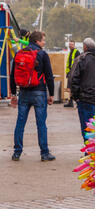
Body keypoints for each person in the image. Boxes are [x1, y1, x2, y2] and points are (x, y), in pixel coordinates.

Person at [10, 30, 56, 162]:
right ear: (37, 41)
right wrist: (51, 94)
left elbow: (13, 75)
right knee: (41, 124)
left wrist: (13, 93)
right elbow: (49, 76)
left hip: (23, 92)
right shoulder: (42, 54)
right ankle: (44, 153)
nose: (44, 42)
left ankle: (17, 152)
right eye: (43, 40)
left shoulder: (20, 53)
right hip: (39, 92)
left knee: (20, 122)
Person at [64, 40, 80, 107]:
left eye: (72, 44)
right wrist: (67, 72)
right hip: (70, 72)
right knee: (69, 88)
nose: (70, 46)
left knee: (74, 87)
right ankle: (70, 101)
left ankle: (76, 102)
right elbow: (69, 63)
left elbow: (78, 62)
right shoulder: (70, 52)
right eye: (70, 44)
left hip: (74, 72)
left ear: (74, 45)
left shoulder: (76, 52)